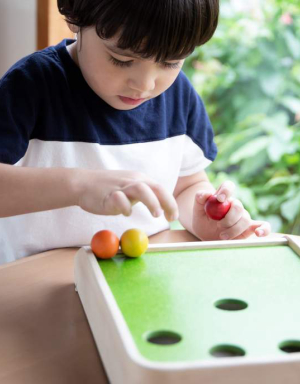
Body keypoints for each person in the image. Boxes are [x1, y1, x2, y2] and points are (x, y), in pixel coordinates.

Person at [0, 0, 270, 264]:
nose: (145, 84)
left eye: (171, 63)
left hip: (143, 275)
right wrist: (79, 186)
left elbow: (187, 184)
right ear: (75, 18)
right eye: (121, 59)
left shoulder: (179, 97)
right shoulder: (31, 86)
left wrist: (202, 219)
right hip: (42, 280)